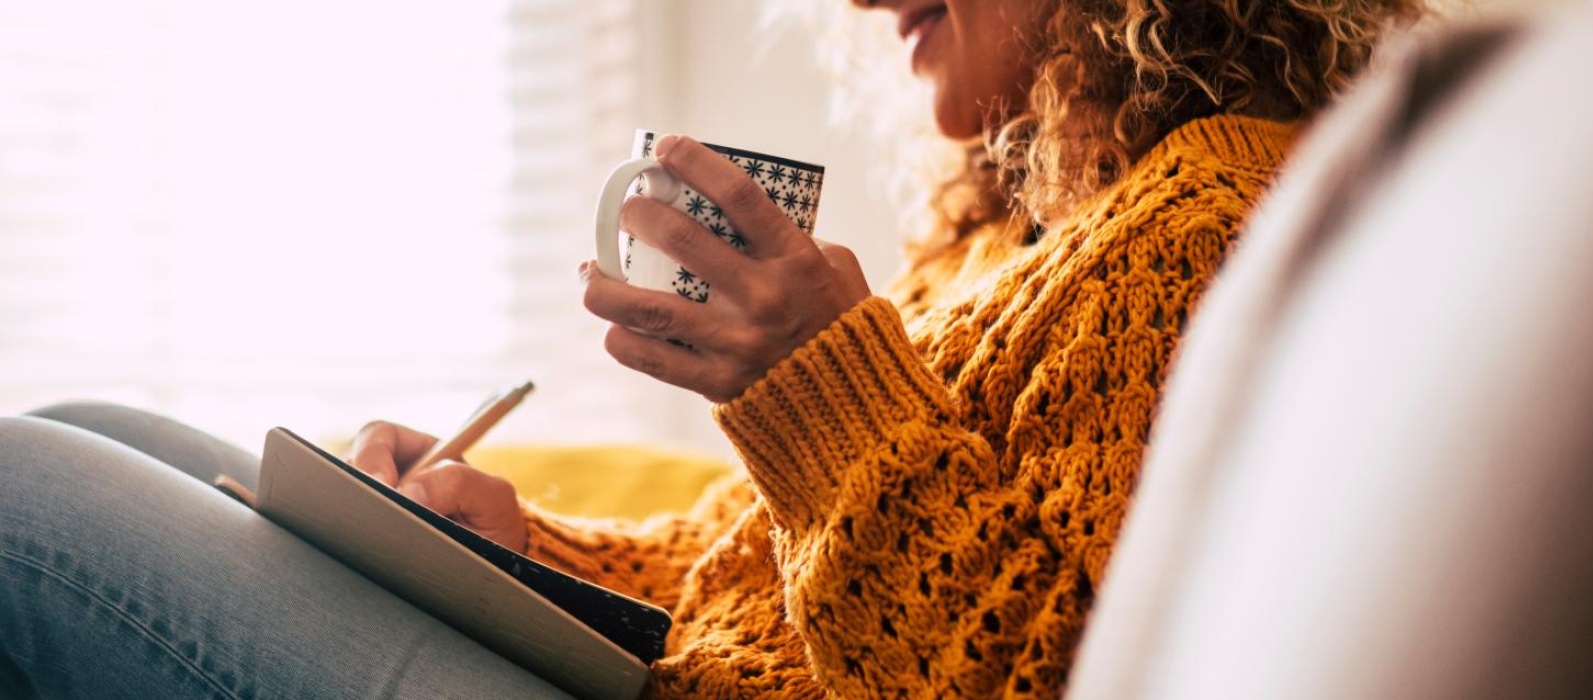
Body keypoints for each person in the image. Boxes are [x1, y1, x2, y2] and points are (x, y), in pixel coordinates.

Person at [0, 0, 1425, 697]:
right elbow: (766, 586)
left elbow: (1032, 671)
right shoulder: (1020, 224)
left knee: (23, 502)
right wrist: (532, 551)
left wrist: (819, 385)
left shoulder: (1213, 224)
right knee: (94, 426)